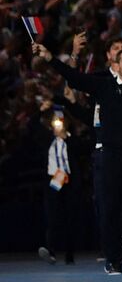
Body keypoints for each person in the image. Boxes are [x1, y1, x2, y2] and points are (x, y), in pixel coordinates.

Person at [33, 43, 122, 275]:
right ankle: (114, 259)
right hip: (110, 157)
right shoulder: (104, 86)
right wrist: (50, 58)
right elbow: (74, 78)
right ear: (115, 66)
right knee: (109, 209)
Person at [40, 110, 77, 265]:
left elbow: (81, 149)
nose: (58, 124)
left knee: (70, 217)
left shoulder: (71, 139)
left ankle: (69, 254)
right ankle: (51, 251)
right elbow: (32, 130)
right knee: (53, 216)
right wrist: (42, 111)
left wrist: (66, 137)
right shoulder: (46, 139)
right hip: (53, 181)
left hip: (69, 181)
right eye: (55, 121)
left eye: (60, 121)